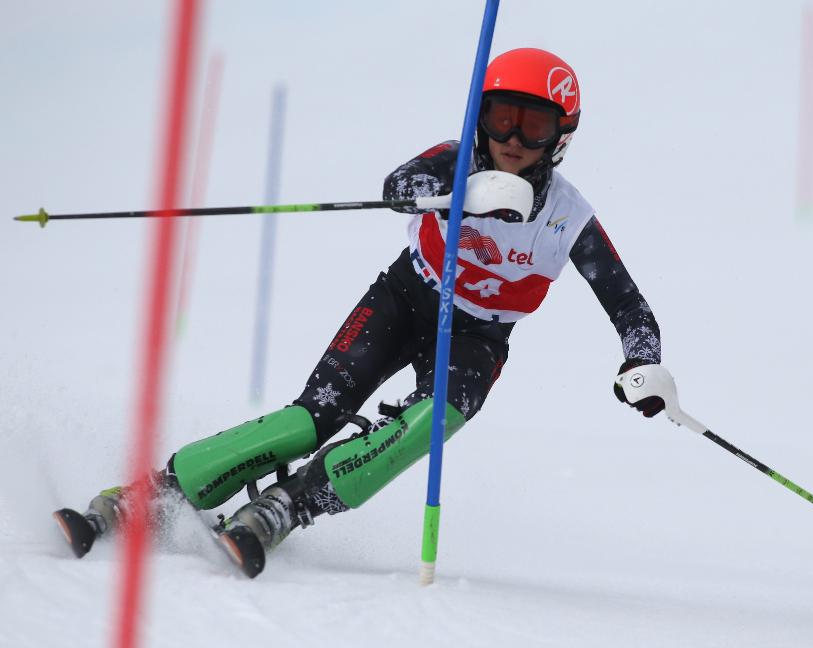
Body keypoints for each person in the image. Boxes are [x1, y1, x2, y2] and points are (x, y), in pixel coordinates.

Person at [54, 48, 666, 577]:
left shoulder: (568, 218)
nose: (512, 138)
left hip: (478, 338)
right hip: (406, 297)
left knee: (437, 419)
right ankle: (151, 495)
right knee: (310, 421)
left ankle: (288, 506)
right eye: (501, 117)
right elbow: (398, 184)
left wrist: (642, 363)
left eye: (533, 126)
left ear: (560, 137)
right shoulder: (456, 161)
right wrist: (454, 196)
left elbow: (629, 306)